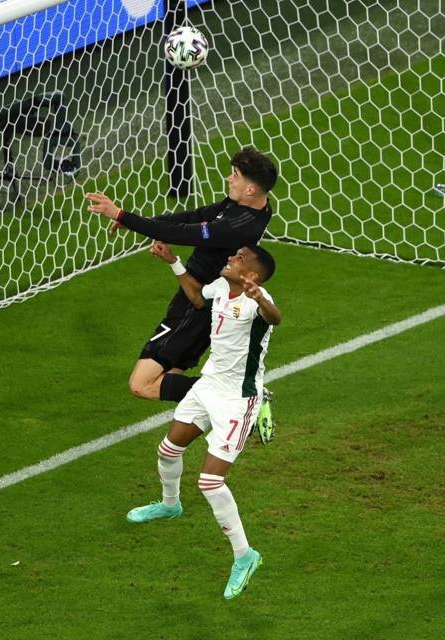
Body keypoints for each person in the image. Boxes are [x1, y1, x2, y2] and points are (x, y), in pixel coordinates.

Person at [85, 147, 278, 443]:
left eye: (235, 176)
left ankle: (243, 402)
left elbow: (186, 233)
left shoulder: (235, 228)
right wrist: (147, 219)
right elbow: (196, 216)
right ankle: (242, 400)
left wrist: (121, 214)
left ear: (251, 188)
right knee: (167, 379)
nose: (229, 178)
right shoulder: (254, 207)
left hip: (194, 305)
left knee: (141, 384)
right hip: (204, 303)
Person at [126, 241, 281, 600]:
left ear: (252, 275)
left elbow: (275, 317)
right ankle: (169, 505)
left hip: (236, 400)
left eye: (238, 258)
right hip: (207, 386)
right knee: (168, 449)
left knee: (211, 482)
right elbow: (198, 298)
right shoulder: (221, 286)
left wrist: (260, 298)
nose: (230, 258)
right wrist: (174, 262)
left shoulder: (257, 300)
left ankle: (245, 556)